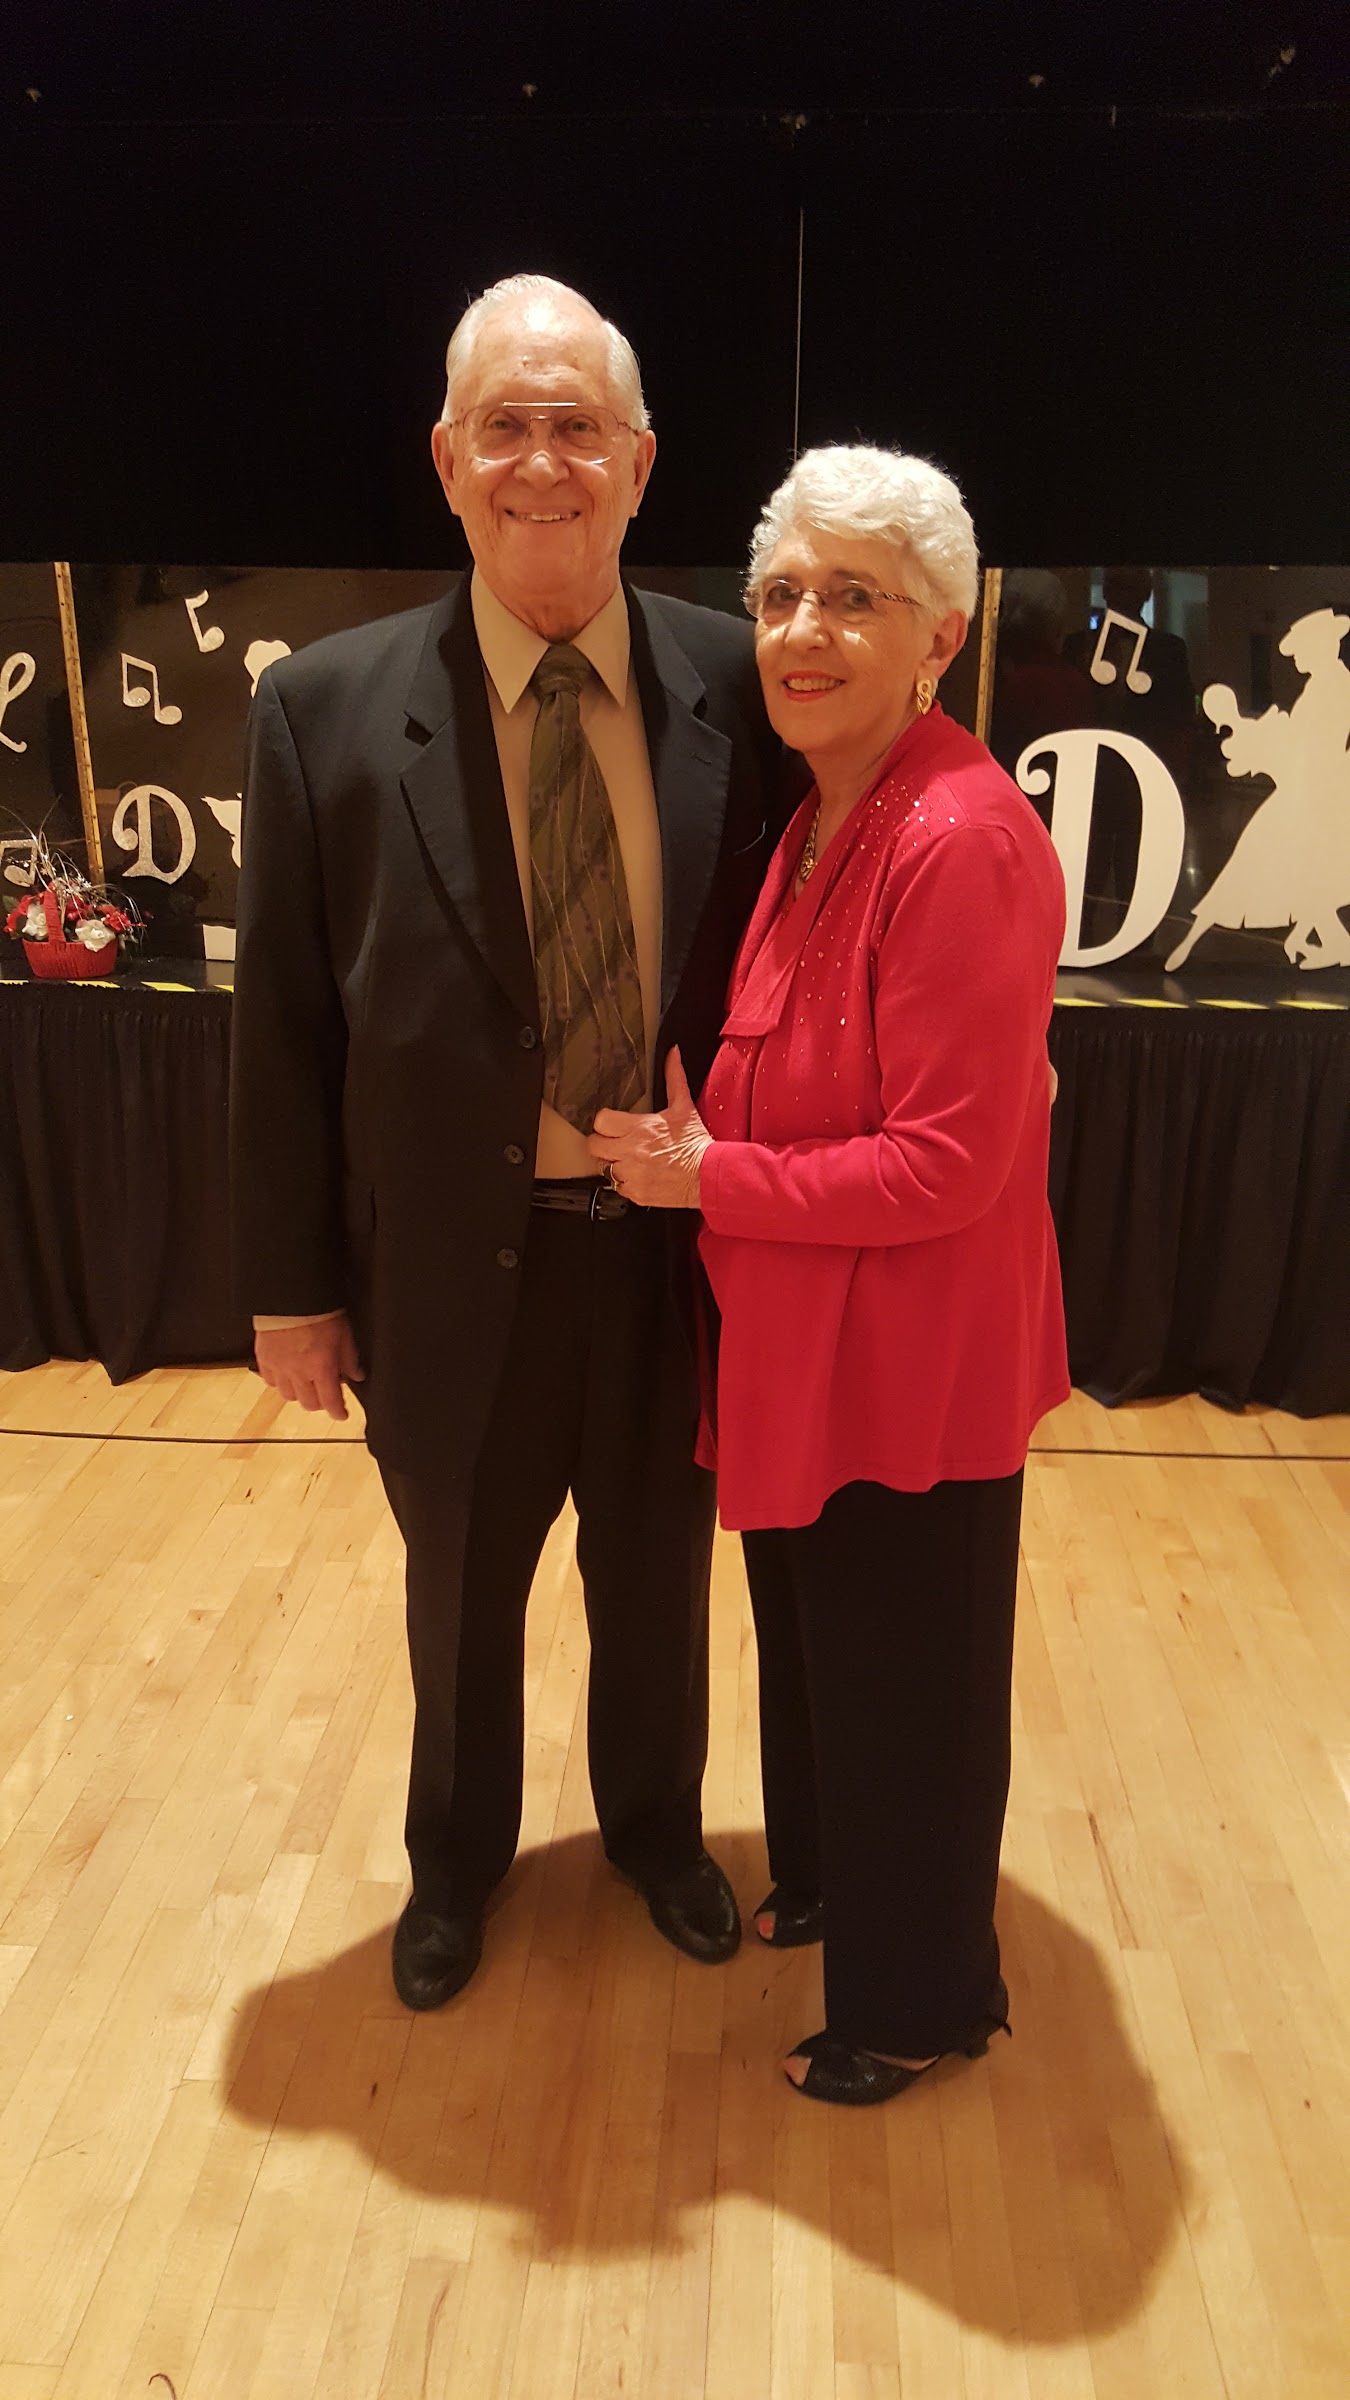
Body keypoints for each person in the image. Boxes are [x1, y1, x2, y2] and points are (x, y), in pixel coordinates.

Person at [230, 275, 789, 2010]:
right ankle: (454, 1864)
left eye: (576, 428)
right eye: (505, 427)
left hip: (675, 1253)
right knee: (458, 1596)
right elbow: (284, 1030)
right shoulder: (320, 710)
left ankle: (656, 1833)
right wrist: (290, 1290)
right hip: (446, 1268)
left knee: (660, 1584)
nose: (541, 462)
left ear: (639, 462)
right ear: (446, 460)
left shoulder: (743, 684)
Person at [591, 444, 1069, 2105]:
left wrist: (707, 1176)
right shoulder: (820, 814)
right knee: (820, 1659)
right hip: (805, 1335)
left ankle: (918, 2001)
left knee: (906, 1688)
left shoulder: (959, 836)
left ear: (939, 633)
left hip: (907, 1361)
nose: (801, 630)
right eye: (781, 593)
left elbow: (945, 1165)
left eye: (852, 598)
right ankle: (832, 1886)